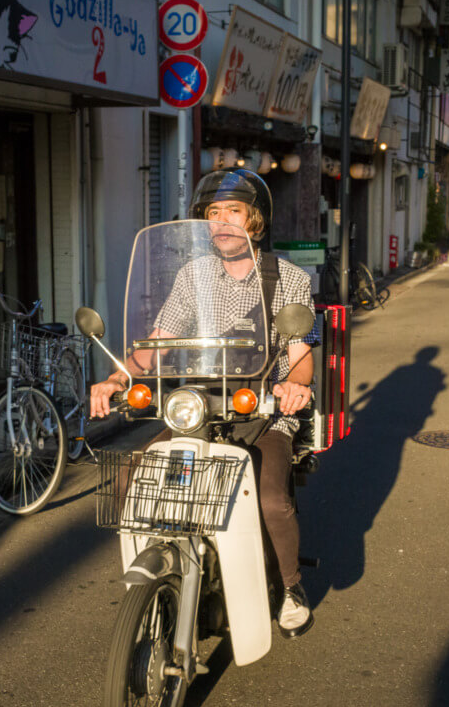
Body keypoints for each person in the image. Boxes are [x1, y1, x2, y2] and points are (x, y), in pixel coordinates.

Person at [90, 169, 318, 639]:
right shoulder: (193, 274)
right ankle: (163, 571)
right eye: (213, 214)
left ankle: (291, 587)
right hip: (200, 405)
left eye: (233, 211)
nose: (222, 222)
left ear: (254, 220)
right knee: (133, 480)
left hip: (263, 410)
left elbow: (300, 358)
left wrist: (293, 388)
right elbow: (160, 339)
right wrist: (117, 376)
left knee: (271, 499)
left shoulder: (287, 278)